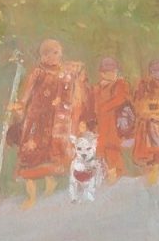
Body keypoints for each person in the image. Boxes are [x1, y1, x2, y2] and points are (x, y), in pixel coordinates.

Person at [9, 39, 88, 210]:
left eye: (55, 53)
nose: (51, 57)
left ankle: (50, 189)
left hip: (54, 124)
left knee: (49, 158)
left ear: (61, 53)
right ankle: (31, 197)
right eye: (46, 53)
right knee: (29, 157)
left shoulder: (66, 74)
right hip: (35, 122)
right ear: (41, 56)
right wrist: (19, 105)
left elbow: (75, 95)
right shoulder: (38, 73)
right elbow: (27, 93)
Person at [89, 56, 131, 182]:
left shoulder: (121, 84)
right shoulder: (96, 88)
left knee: (113, 151)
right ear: (102, 73)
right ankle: (105, 178)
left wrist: (102, 108)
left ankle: (117, 178)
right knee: (100, 152)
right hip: (100, 126)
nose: (113, 74)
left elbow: (120, 99)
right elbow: (92, 105)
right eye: (109, 72)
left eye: (114, 71)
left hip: (114, 124)